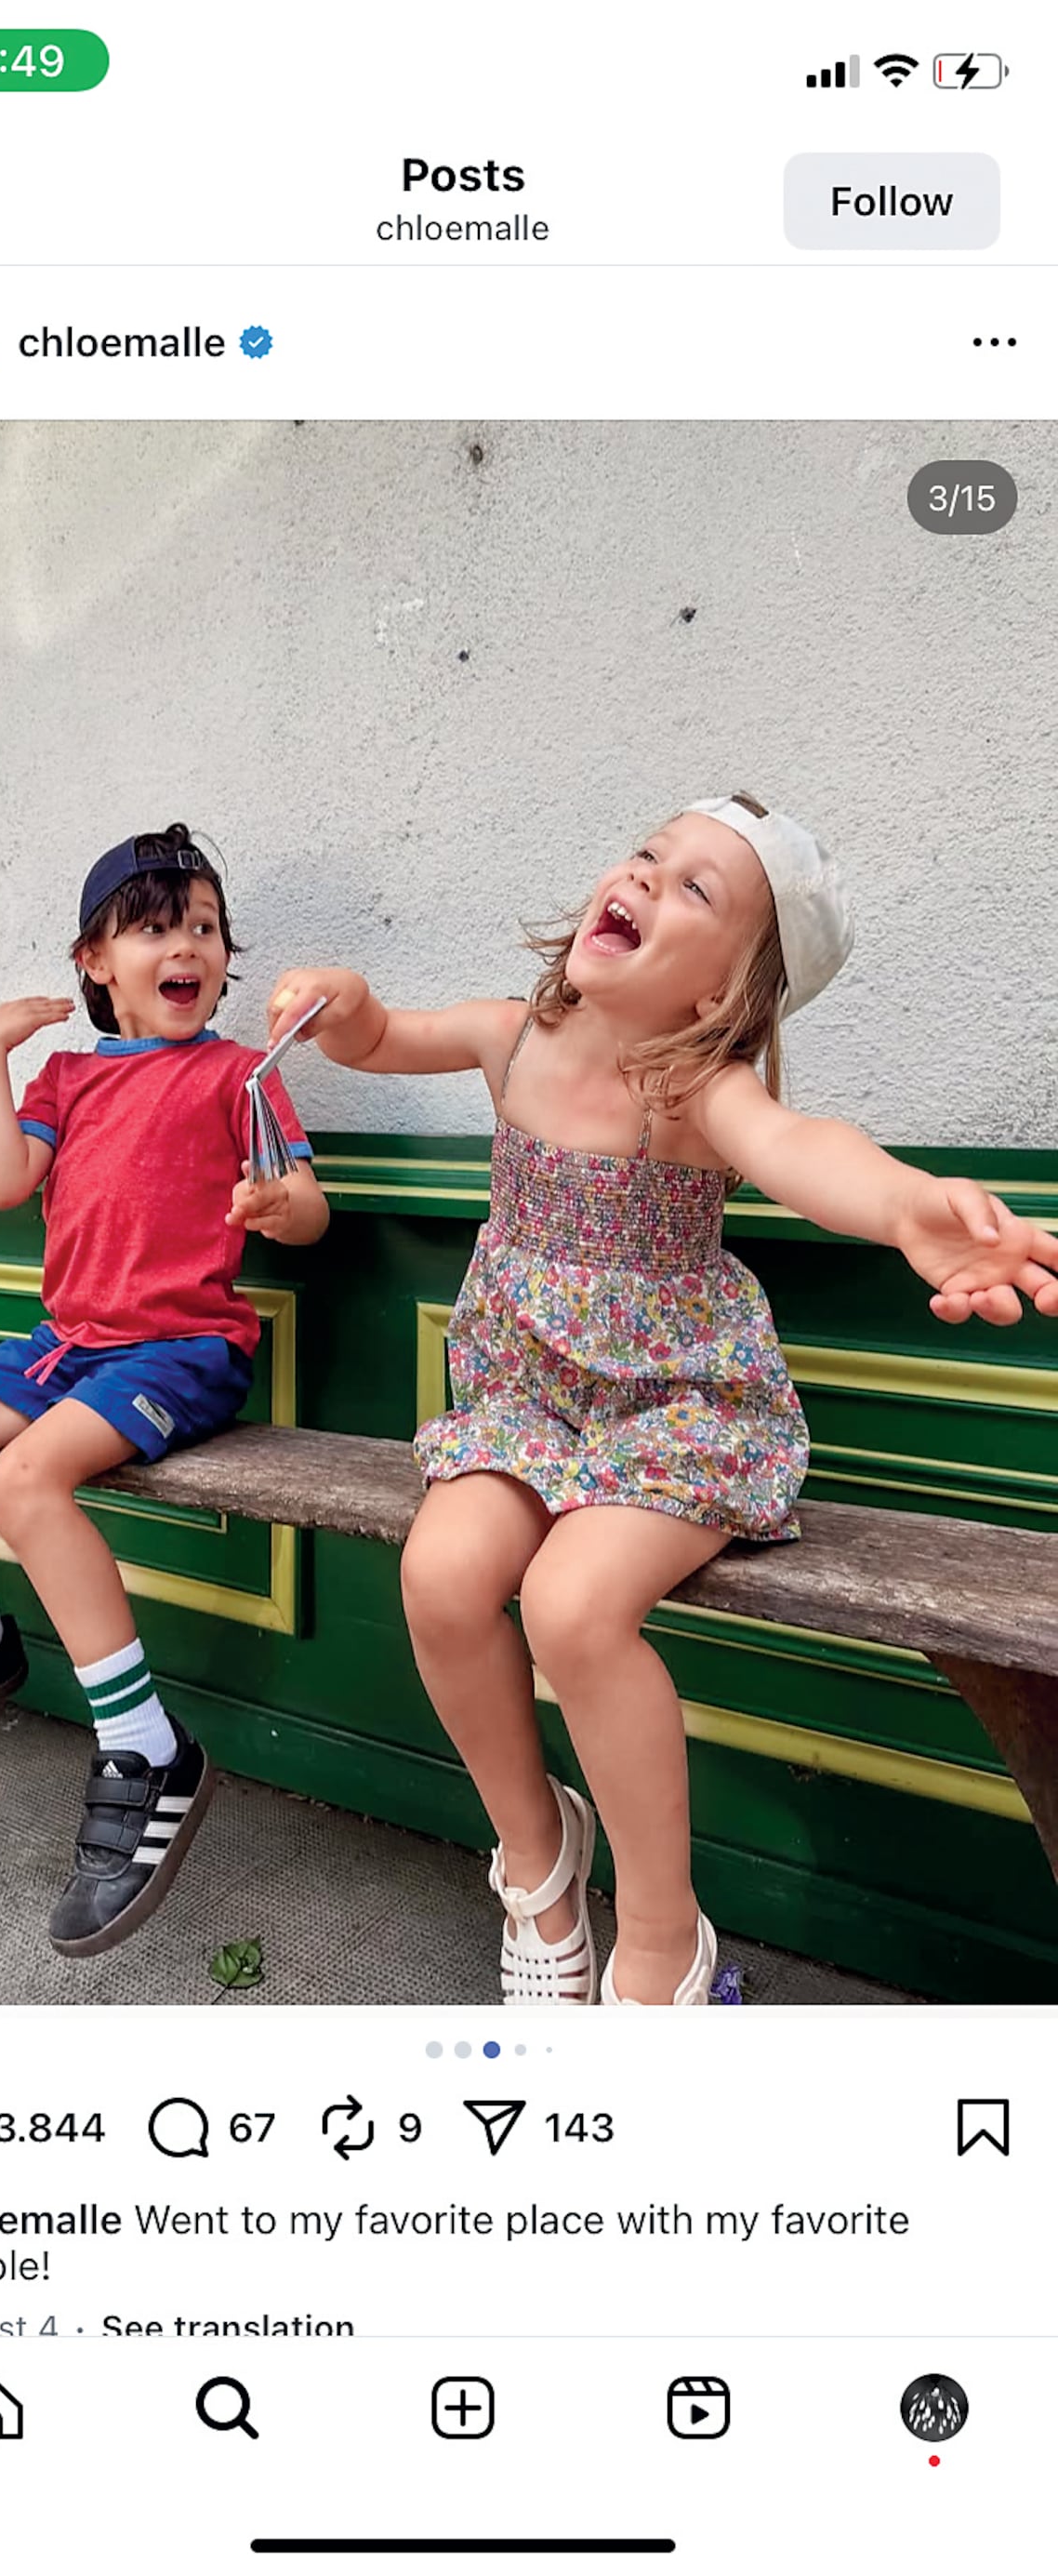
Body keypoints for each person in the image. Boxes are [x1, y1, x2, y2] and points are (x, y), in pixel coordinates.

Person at [267, 793, 1058, 2008]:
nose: (645, 877)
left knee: (578, 1604)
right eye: (649, 854)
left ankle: (658, 1930)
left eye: (698, 889)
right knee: (440, 1575)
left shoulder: (698, 1088)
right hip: (521, 1402)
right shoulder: (511, 1037)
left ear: (720, 998)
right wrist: (352, 1009)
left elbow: (806, 1148)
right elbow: (384, 1040)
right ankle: (536, 1859)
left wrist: (907, 1208)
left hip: (674, 1415)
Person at [0, 825, 328, 1957]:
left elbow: (307, 1202)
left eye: (206, 928)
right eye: (157, 925)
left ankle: (145, 1746)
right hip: (68, 1343)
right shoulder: (67, 1077)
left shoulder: (237, 1076)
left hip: (180, 1349)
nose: (189, 946)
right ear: (95, 963)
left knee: (25, 1481)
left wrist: (283, 1209)